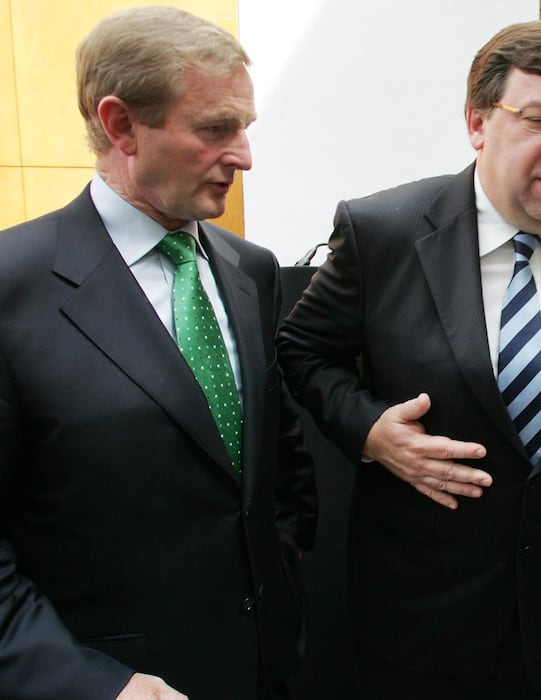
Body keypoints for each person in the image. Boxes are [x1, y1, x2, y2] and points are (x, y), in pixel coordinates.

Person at [277, 19, 541, 699]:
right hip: (421, 615)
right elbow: (303, 352)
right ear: (478, 123)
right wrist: (369, 432)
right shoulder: (384, 233)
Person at [0, 7, 316, 699]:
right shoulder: (10, 288)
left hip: (264, 669)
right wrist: (90, 684)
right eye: (214, 129)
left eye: (244, 127)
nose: (243, 156)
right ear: (120, 126)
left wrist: (283, 571)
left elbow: (274, 472)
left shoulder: (250, 271)